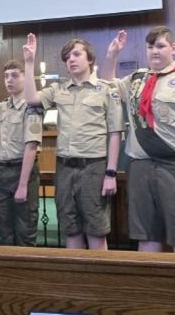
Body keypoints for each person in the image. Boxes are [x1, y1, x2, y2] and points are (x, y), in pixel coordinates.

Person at [23, 34, 122, 250]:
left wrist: (111, 173)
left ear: (90, 59)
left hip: (93, 167)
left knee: (96, 230)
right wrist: (29, 62)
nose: (71, 60)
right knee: (71, 228)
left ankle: (99, 281)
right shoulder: (59, 89)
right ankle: (75, 282)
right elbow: (31, 98)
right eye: (67, 57)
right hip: (65, 167)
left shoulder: (106, 89)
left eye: (76, 54)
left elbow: (115, 133)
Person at [102, 27, 175, 253]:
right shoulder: (137, 79)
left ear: (173, 49)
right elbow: (108, 85)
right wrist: (112, 54)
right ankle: (151, 288)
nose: (154, 51)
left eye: (160, 46)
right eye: (150, 47)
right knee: (146, 235)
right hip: (140, 166)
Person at [0, 62, 43, 246]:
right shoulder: (4, 106)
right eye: (6, 76)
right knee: (5, 228)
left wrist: (22, 184)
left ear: (24, 77)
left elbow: (31, 146)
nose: (9, 80)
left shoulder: (32, 107)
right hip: (3, 170)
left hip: (23, 171)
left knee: (25, 228)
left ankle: (25, 272)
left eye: (14, 75)